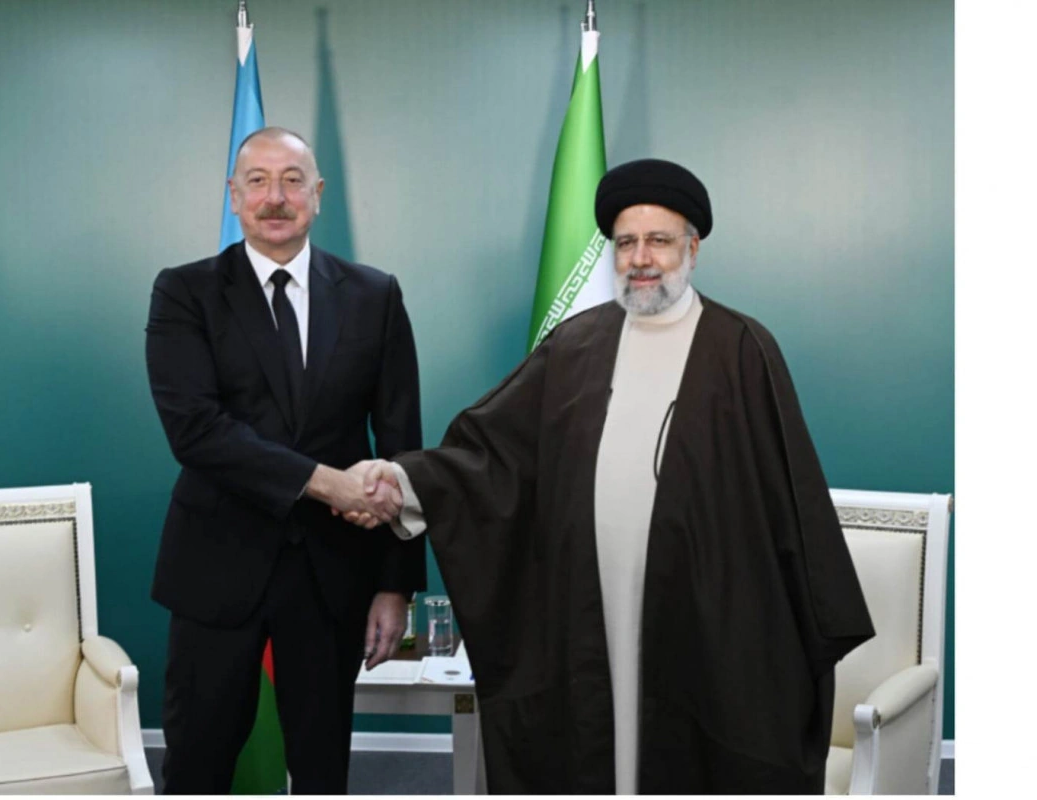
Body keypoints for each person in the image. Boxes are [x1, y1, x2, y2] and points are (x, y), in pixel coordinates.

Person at [347, 159, 875, 794]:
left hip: (701, 617)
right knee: (599, 747)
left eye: (658, 240)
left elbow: (789, 499)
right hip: (585, 606)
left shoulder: (741, 349)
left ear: (692, 249)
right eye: (626, 243)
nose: (641, 258)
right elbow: (491, 456)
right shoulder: (575, 346)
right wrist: (402, 481)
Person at [145, 126, 420, 794]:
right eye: (258, 181)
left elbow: (401, 445)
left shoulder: (374, 295)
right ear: (233, 196)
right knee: (197, 767)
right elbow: (197, 432)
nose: (276, 197)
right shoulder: (184, 292)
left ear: (317, 194)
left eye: (292, 181)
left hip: (332, 580)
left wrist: (396, 585)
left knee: (323, 773)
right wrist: (329, 485)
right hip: (216, 572)